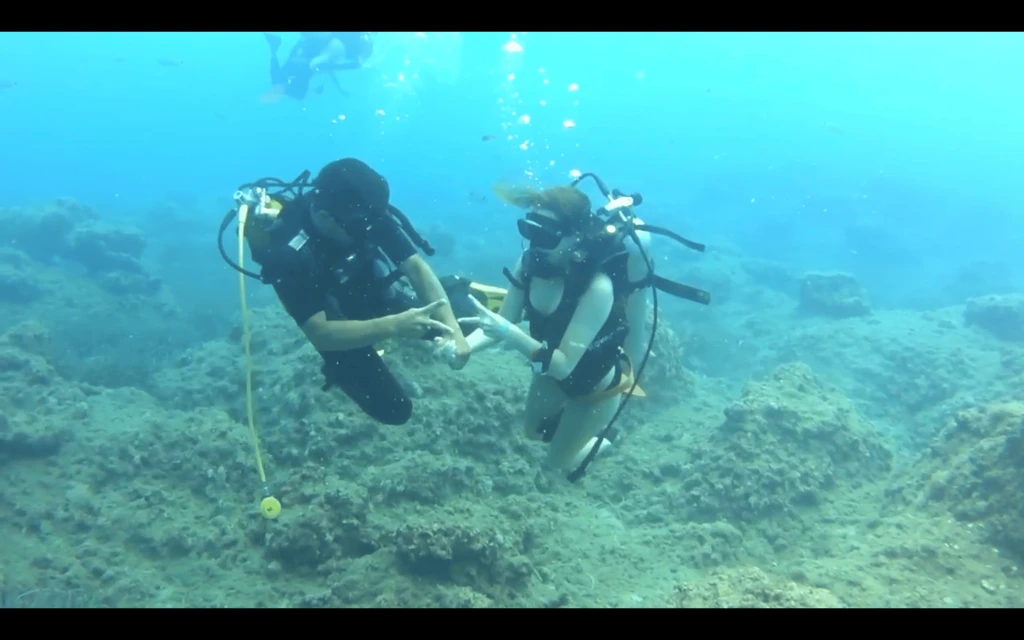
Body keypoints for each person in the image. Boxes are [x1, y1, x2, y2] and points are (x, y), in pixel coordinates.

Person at [456, 178, 710, 477]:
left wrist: (507, 333)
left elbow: (559, 363)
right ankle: (574, 432)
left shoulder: (598, 287)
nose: (536, 243)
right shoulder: (528, 264)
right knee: (533, 434)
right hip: (548, 373)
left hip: (594, 391)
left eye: (547, 235)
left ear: (575, 237)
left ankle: (604, 441)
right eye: (530, 230)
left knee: (558, 461)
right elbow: (504, 320)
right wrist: (462, 347)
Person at [227, 158, 490, 426]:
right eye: (361, 230)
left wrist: (453, 332)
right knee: (395, 410)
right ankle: (341, 369)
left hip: (372, 293)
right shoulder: (287, 255)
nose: (370, 233)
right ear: (324, 217)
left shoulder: (365, 213)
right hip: (334, 322)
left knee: (471, 325)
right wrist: (394, 325)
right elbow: (321, 333)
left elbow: (416, 268)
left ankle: (454, 289)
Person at [262, 32, 372, 102]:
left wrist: (353, 66)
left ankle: (274, 48)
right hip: (304, 56)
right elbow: (331, 68)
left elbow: (331, 68)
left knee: (281, 84)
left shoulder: (311, 65)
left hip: (303, 57)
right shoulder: (312, 65)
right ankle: (274, 48)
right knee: (282, 84)